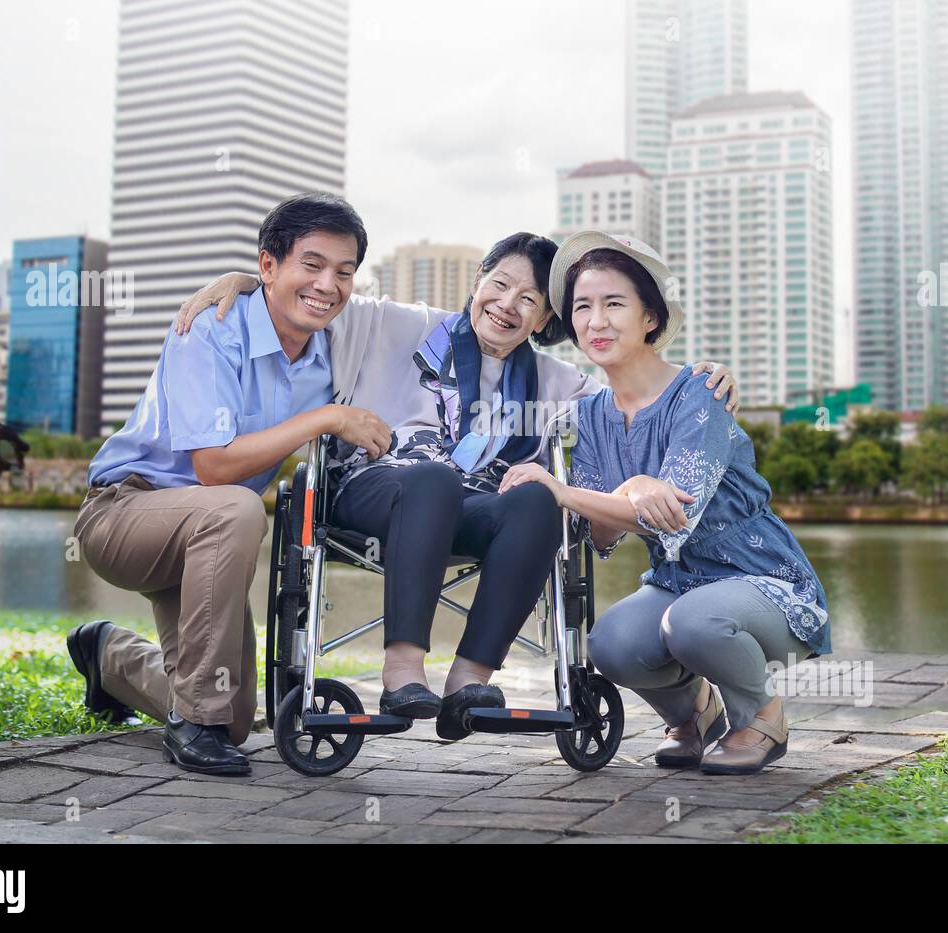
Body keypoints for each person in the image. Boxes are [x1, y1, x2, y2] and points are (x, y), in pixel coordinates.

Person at [177, 234, 740, 741]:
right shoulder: (398, 325)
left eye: (530, 300)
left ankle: (470, 680)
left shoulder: (555, 382)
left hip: (472, 506)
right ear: (478, 281)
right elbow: (317, 295)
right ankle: (403, 669)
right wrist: (249, 281)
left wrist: (702, 375)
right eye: (499, 285)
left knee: (538, 497)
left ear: (544, 319)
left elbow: (637, 383)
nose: (507, 305)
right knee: (434, 477)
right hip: (374, 489)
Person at [71, 193, 391, 775]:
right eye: (311, 265)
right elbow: (213, 468)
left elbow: (433, 328)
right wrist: (324, 419)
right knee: (238, 509)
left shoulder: (335, 351)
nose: (328, 285)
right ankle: (193, 725)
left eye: (344, 273)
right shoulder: (211, 327)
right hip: (125, 513)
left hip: (206, 539)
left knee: (235, 717)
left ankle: (107, 655)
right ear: (269, 266)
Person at [498, 231, 831, 775]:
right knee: (612, 644)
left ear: (650, 317)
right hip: (677, 584)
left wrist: (583, 490)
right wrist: (608, 497)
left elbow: (676, 514)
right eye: (583, 307)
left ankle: (762, 717)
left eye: (614, 304)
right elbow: (603, 532)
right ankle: (694, 714)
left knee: (693, 624)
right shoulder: (589, 415)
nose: (596, 321)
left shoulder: (701, 392)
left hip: (765, 582)